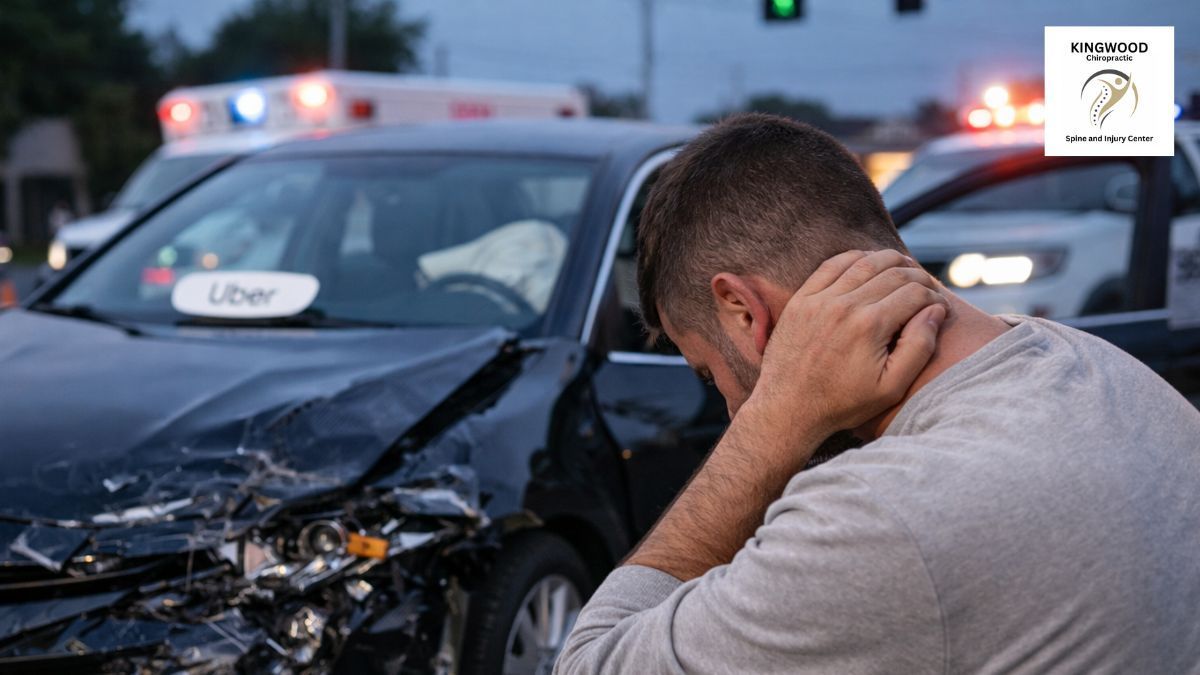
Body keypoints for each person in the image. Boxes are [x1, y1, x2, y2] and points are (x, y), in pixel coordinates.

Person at [555, 113, 1200, 674]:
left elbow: (588, 664)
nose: (727, 408)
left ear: (742, 311)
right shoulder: (1096, 365)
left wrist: (772, 424)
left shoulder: (881, 513)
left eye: (708, 372)